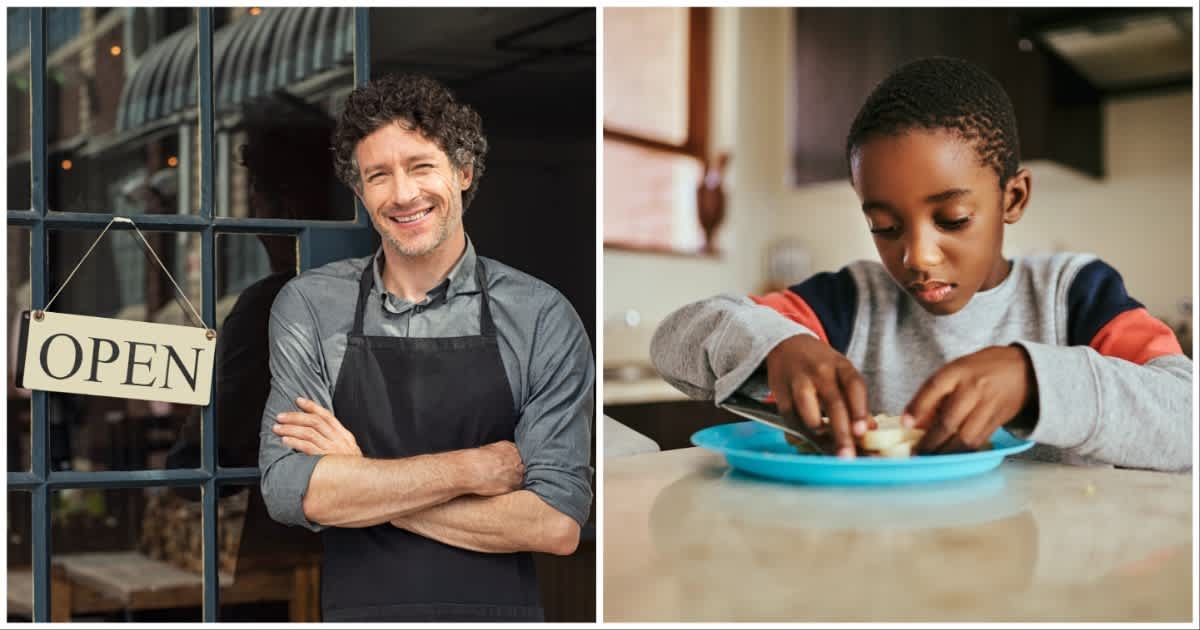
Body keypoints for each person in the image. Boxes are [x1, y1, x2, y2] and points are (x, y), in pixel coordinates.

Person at [650, 57, 1191, 471]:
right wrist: (777, 346)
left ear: (1013, 198)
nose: (917, 256)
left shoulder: (1074, 294)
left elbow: (1187, 417)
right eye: (884, 227)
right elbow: (673, 343)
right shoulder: (849, 302)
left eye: (953, 219)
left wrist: (1034, 379)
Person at [257, 74, 594, 622]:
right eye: (378, 176)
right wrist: (470, 470)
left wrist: (359, 476)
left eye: (421, 166)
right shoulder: (312, 306)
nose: (403, 194)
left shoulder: (540, 316)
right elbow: (291, 490)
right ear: (360, 193)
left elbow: (554, 524)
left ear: (463, 171)